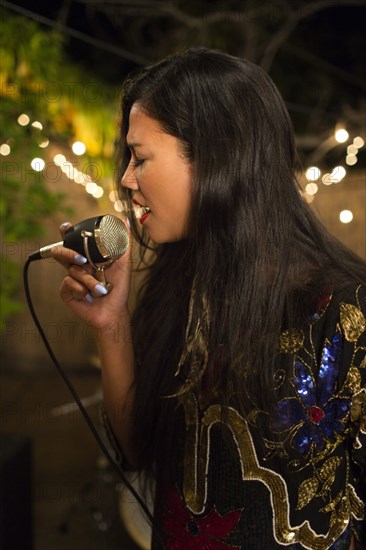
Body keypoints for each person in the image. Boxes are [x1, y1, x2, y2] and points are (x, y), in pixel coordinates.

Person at [53, 47, 366, 549]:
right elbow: (137, 452)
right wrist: (112, 327)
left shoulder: (346, 312)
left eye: (142, 157)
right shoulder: (181, 285)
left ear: (219, 159)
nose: (127, 180)